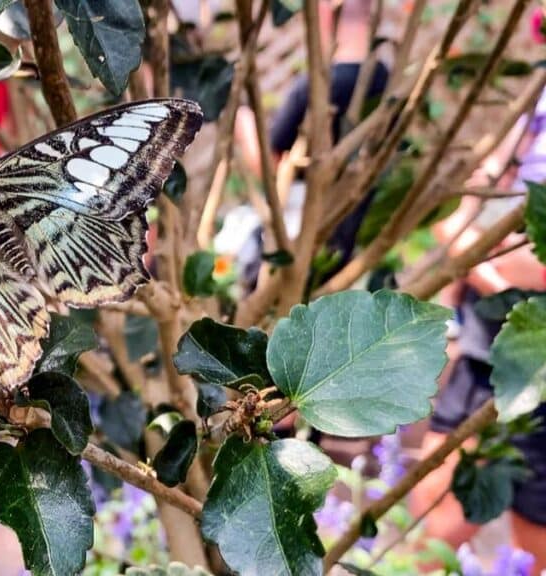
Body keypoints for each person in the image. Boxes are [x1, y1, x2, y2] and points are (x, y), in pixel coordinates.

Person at [411, 15, 546, 568]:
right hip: (487, 352)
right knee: (427, 530)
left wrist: (489, 259)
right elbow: (455, 216)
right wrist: (489, 261)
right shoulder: (531, 113)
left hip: (533, 358)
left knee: (532, 549)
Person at [232, 0, 389, 290]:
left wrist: (242, 121)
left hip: (295, 243)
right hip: (343, 244)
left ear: (327, 9)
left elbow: (270, 166)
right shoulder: (388, 83)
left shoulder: (317, 88)